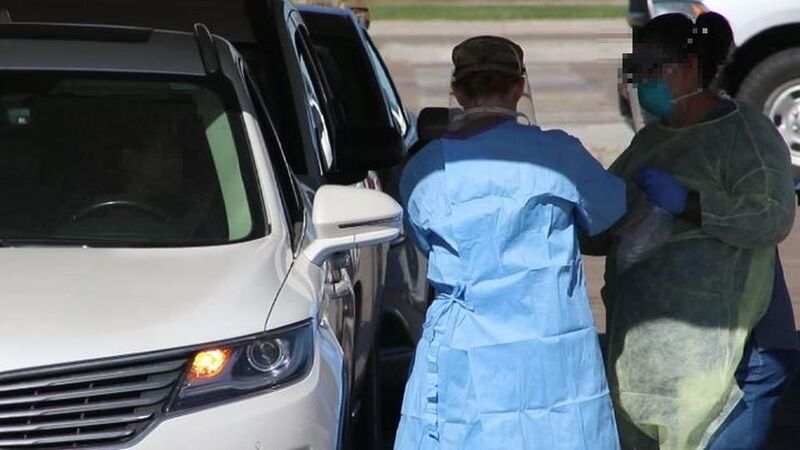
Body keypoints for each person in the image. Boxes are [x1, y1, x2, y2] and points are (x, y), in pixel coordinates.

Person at [395, 35, 626, 450]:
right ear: (520, 87)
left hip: (465, 356)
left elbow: (424, 243)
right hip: (551, 354)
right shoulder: (559, 154)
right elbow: (608, 214)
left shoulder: (426, 168)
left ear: (456, 91)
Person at [587, 12, 798, 449]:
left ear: (686, 67)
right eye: (634, 71)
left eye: (648, 70)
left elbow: (771, 218)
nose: (641, 83)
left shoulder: (745, 135)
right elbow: (603, 224)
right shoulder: (650, 143)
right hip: (661, 366)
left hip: (735, 361)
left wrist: (690, 204)